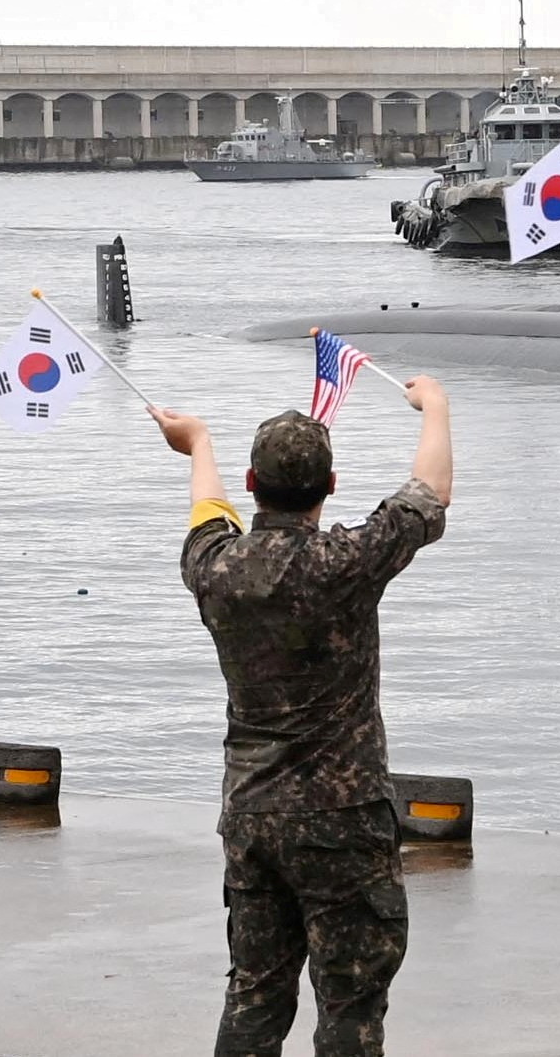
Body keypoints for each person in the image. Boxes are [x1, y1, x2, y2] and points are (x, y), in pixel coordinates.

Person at [155, 380, 454, 1057]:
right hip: (342, 821)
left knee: (255, 994)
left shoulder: (216, 566)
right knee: (350, 1007)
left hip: (252, 817)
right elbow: (430, 491)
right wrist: (435, 408)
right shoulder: (346, 561)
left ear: (254, 481)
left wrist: (198, 441)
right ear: (332, 484)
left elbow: (206, 510)